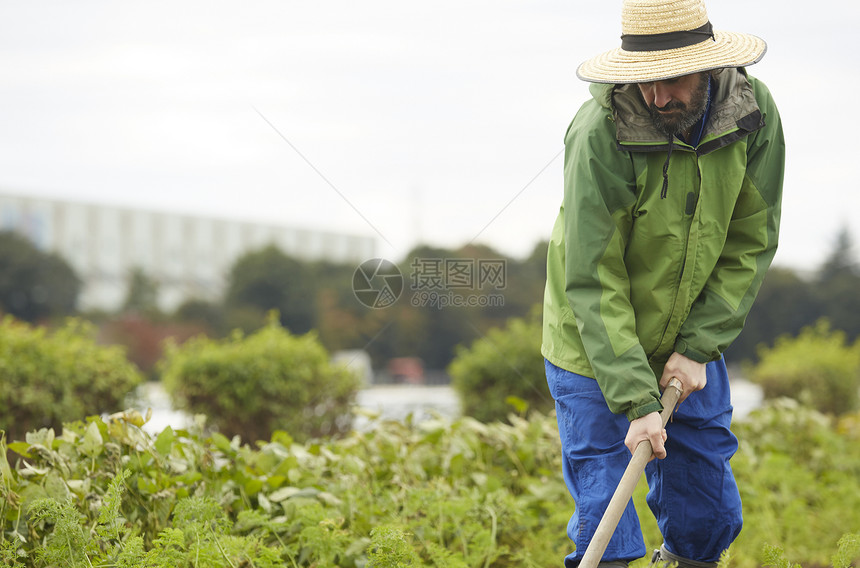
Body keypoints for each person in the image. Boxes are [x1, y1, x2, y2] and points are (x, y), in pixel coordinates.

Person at [541, 0, 785, 566]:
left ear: (708, 64)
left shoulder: (754, 112)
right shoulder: (599, 130)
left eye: (670, 78)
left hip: (690, 346)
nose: (655, 95)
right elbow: (592, 275)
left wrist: (698, 346)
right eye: (643, 79)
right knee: (609, 535)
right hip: (592, 347)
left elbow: (751, 238)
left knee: (709, 521)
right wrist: (634, 399)